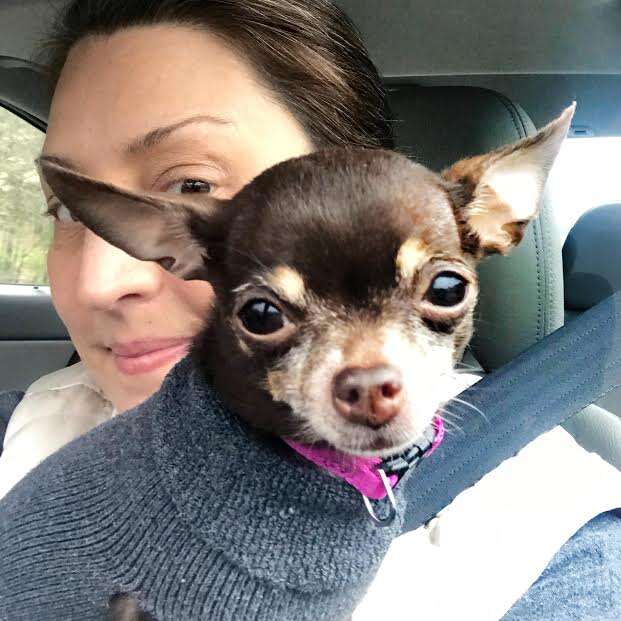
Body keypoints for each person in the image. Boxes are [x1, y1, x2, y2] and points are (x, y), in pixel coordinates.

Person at [0, 1, 619, 620]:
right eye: (69, 209)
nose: (98, 281)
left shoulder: (556, 542)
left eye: (195, 184)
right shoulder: (21, 424)